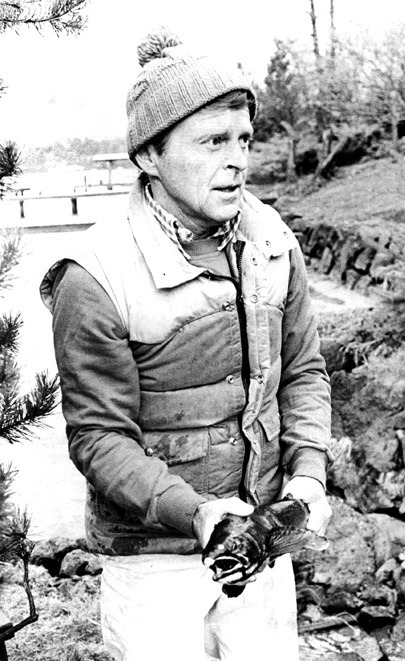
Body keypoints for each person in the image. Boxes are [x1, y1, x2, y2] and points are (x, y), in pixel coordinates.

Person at [40, 28, 333, 661]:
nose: (237, 161)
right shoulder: (93, 274)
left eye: (244, 140)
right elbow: (98, 439)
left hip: (263, 544)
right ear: (149, 155)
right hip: (153, 567)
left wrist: (306, 479)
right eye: (211, 142)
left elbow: (304, 372)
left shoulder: (273, 241)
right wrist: (199, 514)